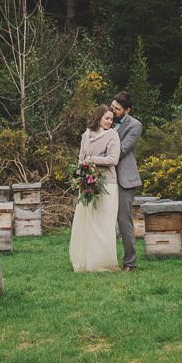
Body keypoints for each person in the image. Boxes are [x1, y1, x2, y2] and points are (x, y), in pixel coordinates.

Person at [68, 103, 121, 273]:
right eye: (107, 118)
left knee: (104, 223)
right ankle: (86, 260)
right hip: (88, 182)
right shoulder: (86, 135)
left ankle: (103, 262)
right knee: (88, 222)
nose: (109, 122)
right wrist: (80, 175)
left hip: (107, 183)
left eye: (111, 119)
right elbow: (81, 157)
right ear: (98, 117)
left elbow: (113, 159)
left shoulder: (112, 135)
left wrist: (92, 160)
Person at [110, 91, 142, 271]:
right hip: (106, 178)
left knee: (124, 222)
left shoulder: (135, 125)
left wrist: (99, 154)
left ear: (127, 110)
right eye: (112, 106)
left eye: (117, 109)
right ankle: (106, 260)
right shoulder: (107, 120)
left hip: (124, 180)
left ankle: (130, 263)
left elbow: (121, 150)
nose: (113, 110)